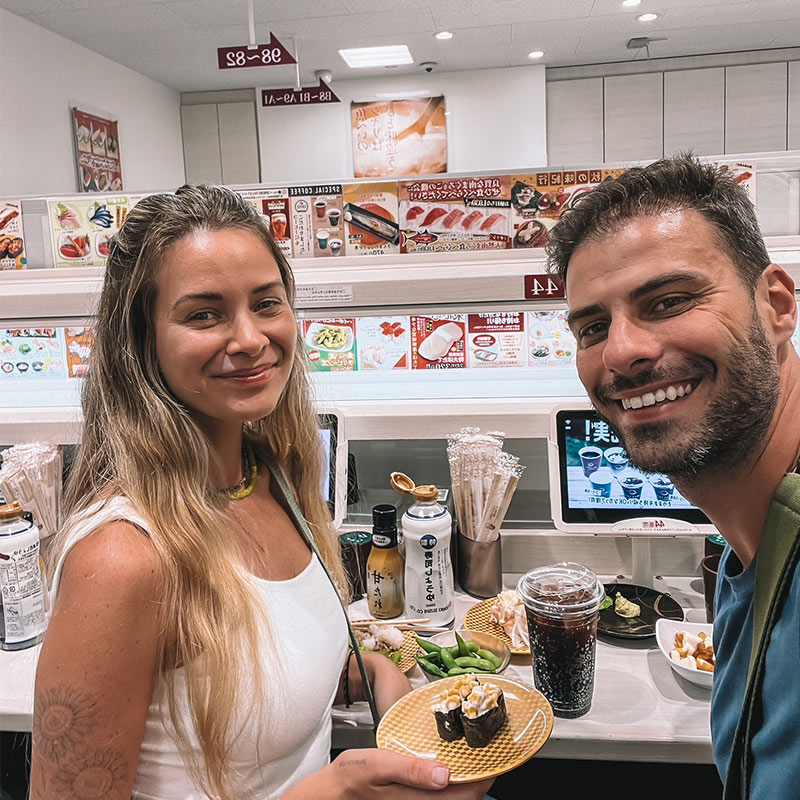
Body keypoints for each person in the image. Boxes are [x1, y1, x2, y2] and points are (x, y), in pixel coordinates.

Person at [29, 184, 494, 800]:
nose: (250, 338)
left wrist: (368, 670)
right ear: (144, 340)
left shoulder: (274, 477)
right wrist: (334, 793)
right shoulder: (122, 560)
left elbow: (252, 681)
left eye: (266, 303)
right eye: (205, 313)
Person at [546, 154, 800, 799]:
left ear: (776, 304)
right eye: (593, 327)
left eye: (670, 301)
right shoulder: (759, 551)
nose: (623, 352)